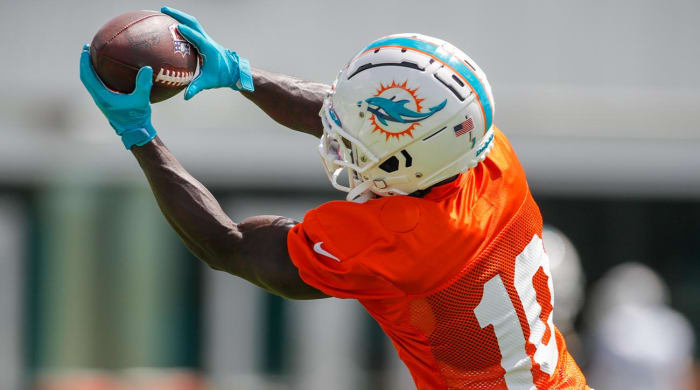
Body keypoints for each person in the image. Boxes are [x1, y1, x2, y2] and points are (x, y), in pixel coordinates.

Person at [79, 7, 588, 389]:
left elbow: (228, 246)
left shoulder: (400, 243)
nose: (340, 131)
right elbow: (353, 115)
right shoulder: (487, 153)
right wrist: (240, 74)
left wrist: (139, 136)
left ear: (411, 161)